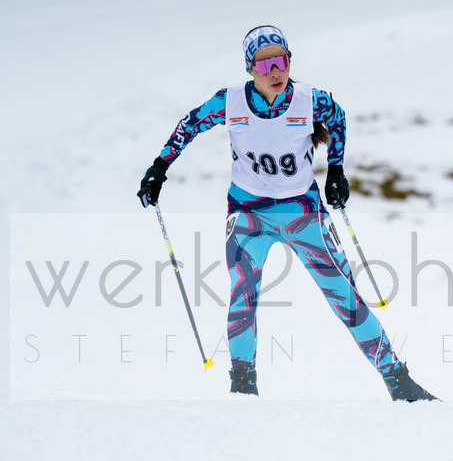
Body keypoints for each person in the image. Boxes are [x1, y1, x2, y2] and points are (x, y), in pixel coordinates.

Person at [137, 25, 436, 402]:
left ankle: (399, 382)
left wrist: (337, 171)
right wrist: (158, 169)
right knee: (242, 295)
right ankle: (243, 388)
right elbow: (189, 125)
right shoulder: (229, 102)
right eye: (264, 65)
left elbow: (339, 119)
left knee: (344, 294)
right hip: (249, 214)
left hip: (303, 212)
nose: (275, 71)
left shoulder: (310, 100)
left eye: (281, 61)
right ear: (250, 69)